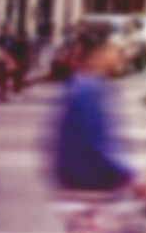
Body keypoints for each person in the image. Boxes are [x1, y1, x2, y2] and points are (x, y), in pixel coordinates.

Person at [54, 23, 135, 193]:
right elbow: (98, 145)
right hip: (92, 189)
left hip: (79, 185)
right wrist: (132, 176)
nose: (121, 55)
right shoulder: (89, 89)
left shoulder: (81, 84)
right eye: (115, 49)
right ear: (100, 53)